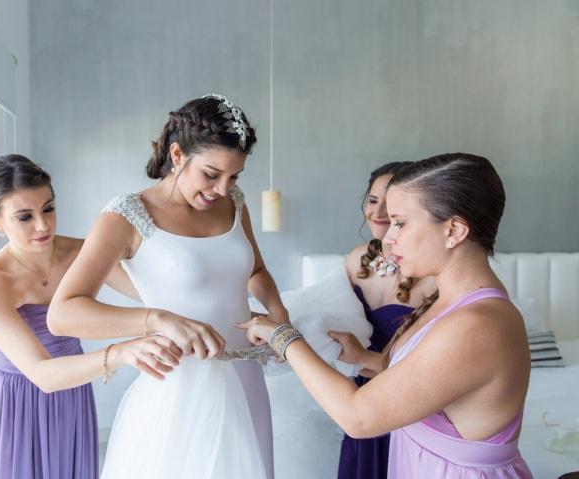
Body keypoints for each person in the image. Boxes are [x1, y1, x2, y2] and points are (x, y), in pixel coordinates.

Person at [240, 153, 533, 478]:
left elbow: (358, 418)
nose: (389, 237)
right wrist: (368, 358)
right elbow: (424, 373)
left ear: (453, 230)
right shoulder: (448, 303)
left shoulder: (478, 324)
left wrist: (283, 336)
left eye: (401, 222)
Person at [48, 94, 286, 479]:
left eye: (234, 176)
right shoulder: (125, 215)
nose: (223, 189)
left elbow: (256, 270)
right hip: (180, 388)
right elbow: (63, 313)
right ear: (177, 155)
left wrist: (280, 320)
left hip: (247, 380)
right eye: (211, 174)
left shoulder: (234, 203)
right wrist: (157, 319)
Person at [0, 154, 181, 479]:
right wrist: (122, 351)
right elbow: (42, 374)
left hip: (72, 390)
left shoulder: (81, 252)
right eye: (24, 217)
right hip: (16, 401)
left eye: (48, 208)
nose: (43, 225)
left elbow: (156, 296)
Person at [333, 161, 434, 479]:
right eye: (373, 200)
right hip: (360, 396)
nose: (378, 212)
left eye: (391, 205)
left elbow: (420, 371)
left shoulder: (433, 278)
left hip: (407, 404)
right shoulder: (355, 261)